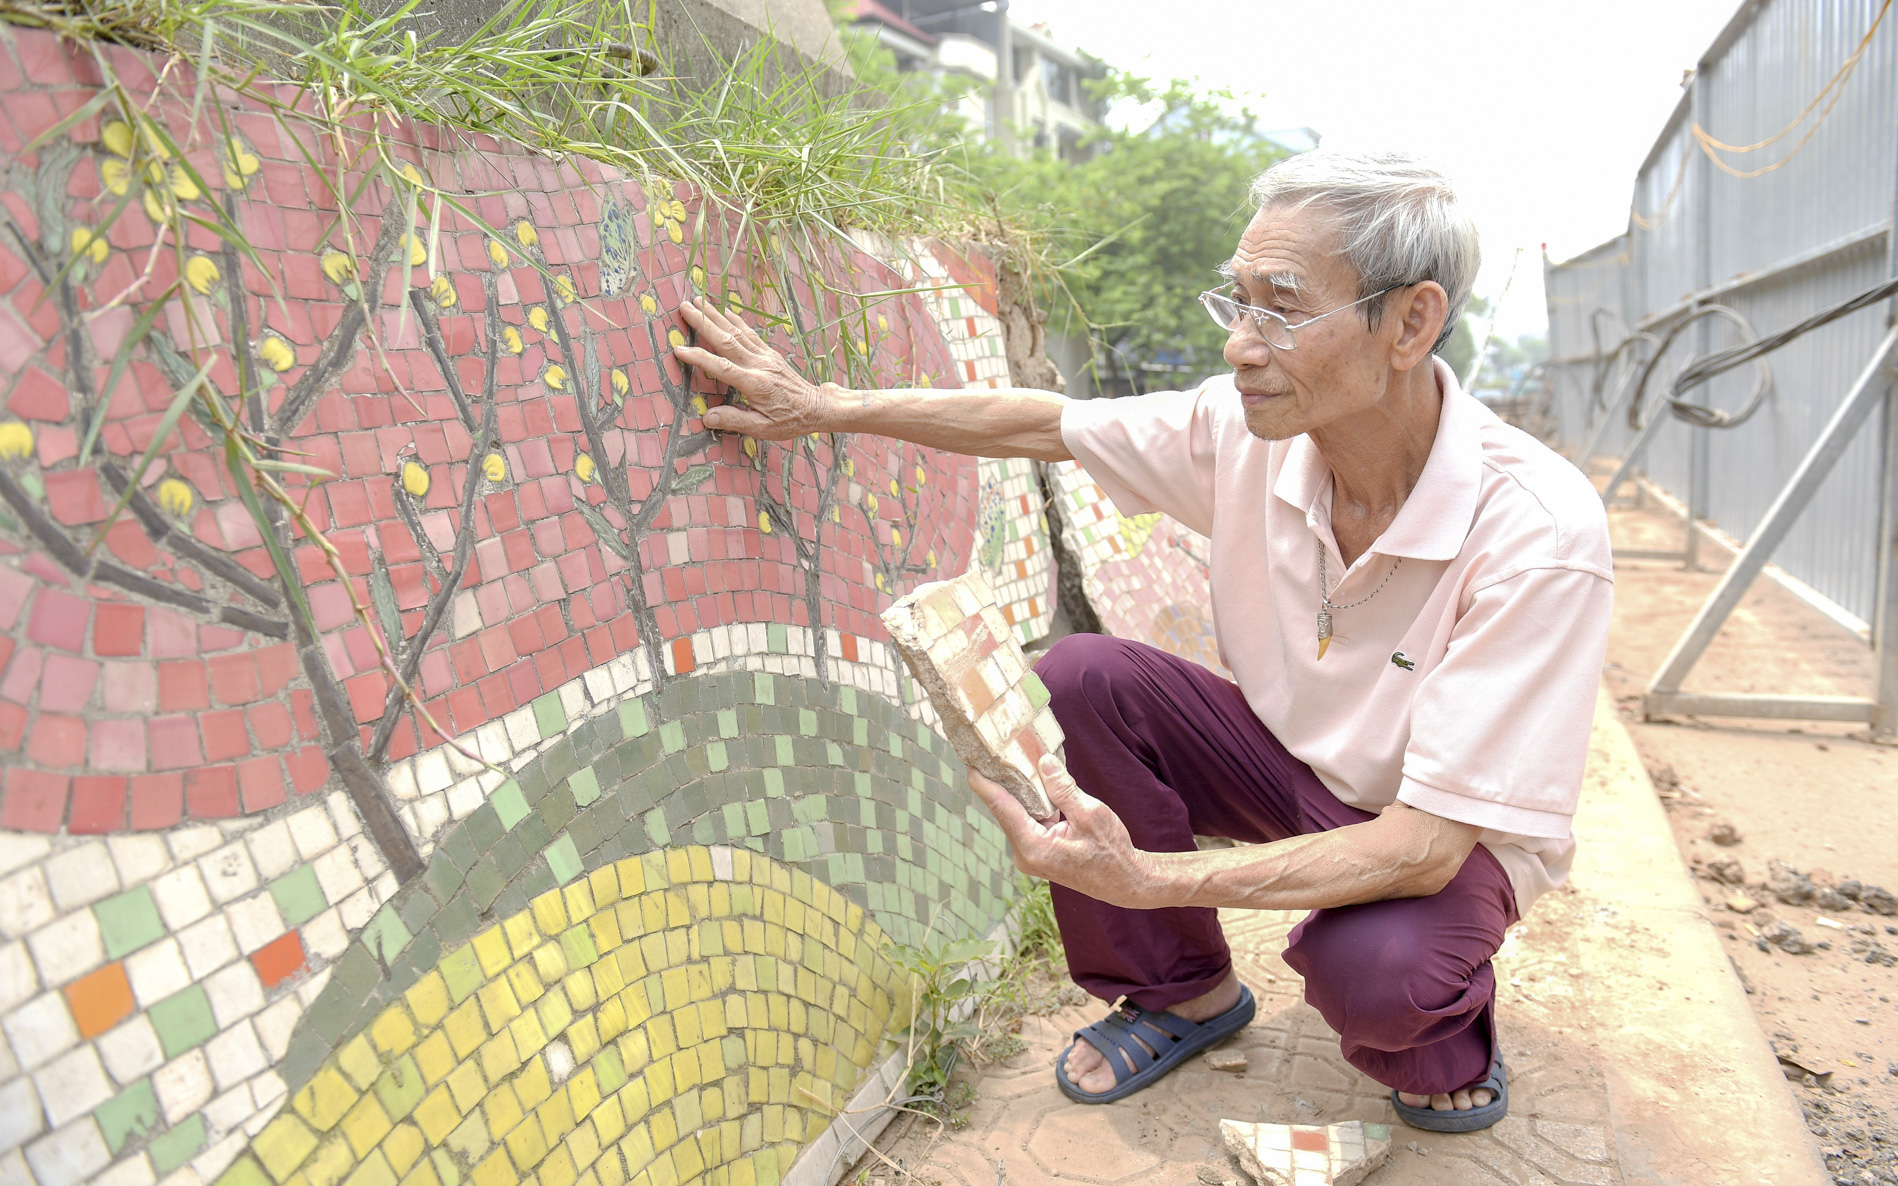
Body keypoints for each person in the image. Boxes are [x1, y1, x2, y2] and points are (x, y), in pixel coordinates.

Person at [673, 150, 1612, 1133]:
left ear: (1409, 321)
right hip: (1293, 765)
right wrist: (821, 407)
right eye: (1236, 303)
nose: (1242, 347)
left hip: (1438, 828)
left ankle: (1442, 1041)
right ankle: (1181, 991)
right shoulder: (1243, 431)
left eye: (1281, 308)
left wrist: (1147, 878)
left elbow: (1422, 847)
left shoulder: (1537, 531)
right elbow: (1042, 424)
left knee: (1379, 980)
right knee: (1081, 679)